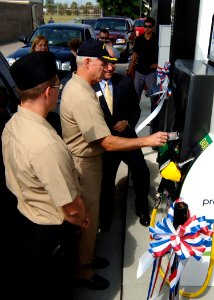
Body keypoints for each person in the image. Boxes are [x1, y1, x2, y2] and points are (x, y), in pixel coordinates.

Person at [60, 39, 168, 290]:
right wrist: (148, 140)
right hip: (86, 164)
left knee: (92, 216)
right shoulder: (82, 95)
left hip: (93, 159)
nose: (107, 68)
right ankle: (83, 270)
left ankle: (85, 258)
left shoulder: (84, 86)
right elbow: (106, 143)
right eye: (102, 63)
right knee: (86, 218)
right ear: (87, 62)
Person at [1, 51, 89, 298]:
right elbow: (71, 208)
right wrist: (82, 219)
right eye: (57, 85)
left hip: (23, 223)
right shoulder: (46, 144)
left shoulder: (12, 125)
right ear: (48, 92)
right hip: (50, 236)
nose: (59, 91)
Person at [94, 60, 151, 232]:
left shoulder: (125, 82)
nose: (110, 68)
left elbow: (135, 109)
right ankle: (105, 218)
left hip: (127, 138)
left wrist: (127, 121)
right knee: (106, 181)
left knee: (141, 171)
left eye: (113, 64)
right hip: (106, 143)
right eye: (105, 64)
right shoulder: (89, 87)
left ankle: (142, 208)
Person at [127, 17, 158, 100]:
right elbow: (135, 54)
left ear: (153, 27)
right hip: (139, 71)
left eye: (149, 26)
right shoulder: (139, 39)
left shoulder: (157, 39)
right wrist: (130, 68)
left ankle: (154, 112)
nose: (147, 28)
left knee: (154, 96)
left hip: (151, 73)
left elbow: (163, 54)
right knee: (136, 95)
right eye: (145, 26)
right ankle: (135, 112)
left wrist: (158, 64)